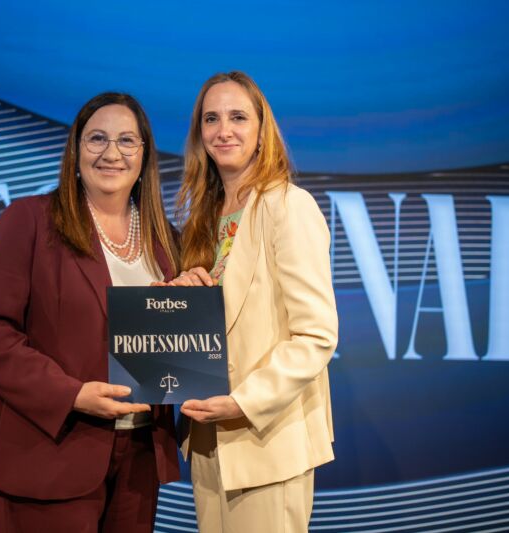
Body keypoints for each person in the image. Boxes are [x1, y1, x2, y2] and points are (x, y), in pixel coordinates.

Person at [0, 92, 180, 533]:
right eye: (97, 138)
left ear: (144, 155)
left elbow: (174, 348)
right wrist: (71, 395)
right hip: (48, 452)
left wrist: (191, 300)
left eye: (127, 140)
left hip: (139, 461)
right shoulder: (30, 220)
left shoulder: (167, 241)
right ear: (76, 149)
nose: (112, 153)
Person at [168, 71, 338, 532]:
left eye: (238, 117)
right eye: (211, 119)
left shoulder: (288, 205)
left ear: (262, 131)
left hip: (266, 440)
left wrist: (242, 402)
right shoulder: (203, 218)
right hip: (207, 436)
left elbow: (316, 336)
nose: (223, 130)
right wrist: (179, 300)